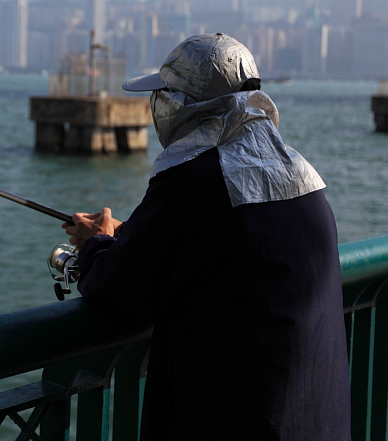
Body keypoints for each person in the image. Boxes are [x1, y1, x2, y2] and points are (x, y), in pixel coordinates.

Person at [63, 33, 350, 440]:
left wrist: (95, 242)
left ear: (180, 105)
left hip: (234, 420)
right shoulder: (302, 175)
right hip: (314, 420)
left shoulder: (195, 181)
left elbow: (121, 287)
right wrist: (138, 235)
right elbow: (234, 248)